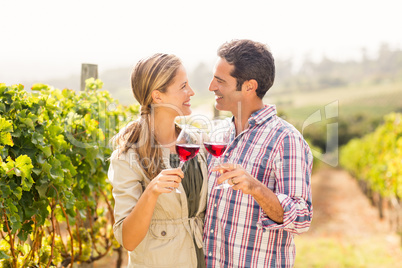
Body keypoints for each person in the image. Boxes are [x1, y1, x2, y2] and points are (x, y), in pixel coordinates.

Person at [203, 39, 313, 267]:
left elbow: (302, 219)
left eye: (220, 80)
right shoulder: (218, 134)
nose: (211, 86)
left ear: (249, 86)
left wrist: (255, 188)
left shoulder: (285, 138)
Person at [108, 53, 207, 267]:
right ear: (158, 96)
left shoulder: (197, 141)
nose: (191, 92)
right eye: (183, 86)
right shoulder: (127, 157)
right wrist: (151, 192)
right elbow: (129, 240)